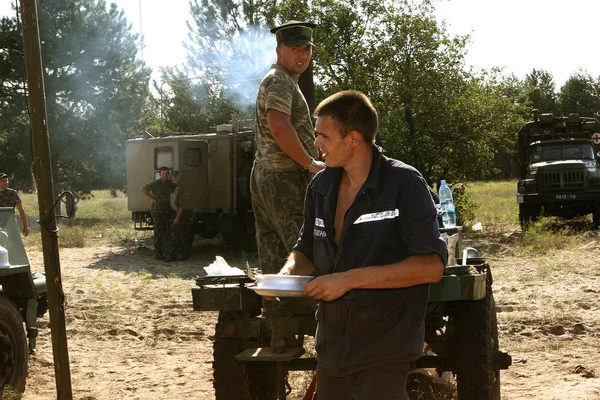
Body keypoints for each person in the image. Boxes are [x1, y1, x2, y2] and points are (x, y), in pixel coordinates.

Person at [272, 91, 448, 399]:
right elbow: (307, 250)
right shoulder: (321, 186)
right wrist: (285, 277)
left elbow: (431, 266)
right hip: (332, 344)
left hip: (386, 342)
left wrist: (348, 280)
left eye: (323, 135)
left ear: (353, 138)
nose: (316, 144)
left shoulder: (404, 184)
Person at [251, 20, 325, 274]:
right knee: (300, 251)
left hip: (269, 175)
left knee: (273, 251)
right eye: (295, 49)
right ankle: (300, 313)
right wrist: (310, 163)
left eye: (307, 49)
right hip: (284, 178)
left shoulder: (281, 79)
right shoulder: (281, 81)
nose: (302, 55)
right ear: (279, 50)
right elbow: (279, 126)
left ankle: (278, 311)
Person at [140, 166, 176, 260]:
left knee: (167, 232)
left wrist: (172, 190)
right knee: (158, 232)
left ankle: (167, 252)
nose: (165, 176)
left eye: (166, 174)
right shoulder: (156, 183)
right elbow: (142, 189)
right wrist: (152, 198)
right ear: (159, 174)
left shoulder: (170, 182)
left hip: (167, 210)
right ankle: (158, 254)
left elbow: (175, 186)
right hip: (158, 210)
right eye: (163, 174)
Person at [168, 171, 193, 262]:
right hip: (184, 214)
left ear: (177, 178)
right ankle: (182, 255)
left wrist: (177, 218)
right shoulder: (183, 186)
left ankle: (174, 256)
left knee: (177, 234)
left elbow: (183, 205)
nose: (173, 181)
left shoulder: (184, 188)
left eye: (173, 179)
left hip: (183, 215)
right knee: (183, 235)